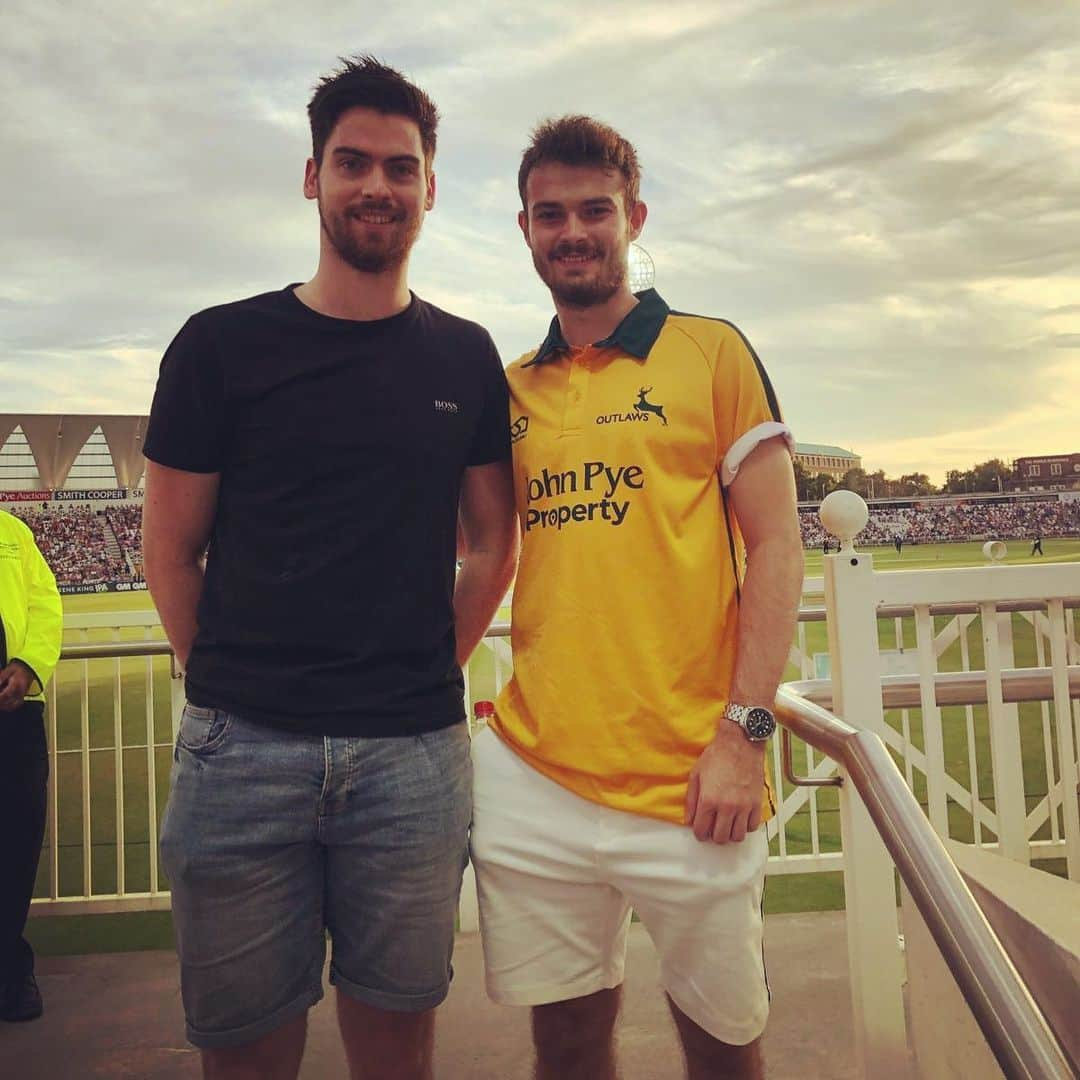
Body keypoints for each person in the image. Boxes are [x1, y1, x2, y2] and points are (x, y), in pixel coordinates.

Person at [143, 56, 518, 1080]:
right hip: (242, 753)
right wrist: (224, 678)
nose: (376, 187)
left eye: (401, 168)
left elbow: (493, 539)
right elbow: (169, 547)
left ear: (432, 188)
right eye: (351, 163)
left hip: (412, 758)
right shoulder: (220, 347)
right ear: (312, 177)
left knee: (396, 1047)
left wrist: (427, 661)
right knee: (246, 1052)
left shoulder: (464, 356)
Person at [469, 116, 804, 1080]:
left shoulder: (711, 352)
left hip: (697, 780)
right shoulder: (512, 387)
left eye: (594, 210)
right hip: (539, 775)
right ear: (525, 229)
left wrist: (745, 734)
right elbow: (482, 549)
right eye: (549, 214)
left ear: (634, 217)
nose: (572, 231)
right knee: (568, 1042)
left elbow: (777, 543)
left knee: (724, 1043)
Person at [0, 509, 63, 1022]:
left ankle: (10, 975)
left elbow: (45, 606)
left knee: (16, 846)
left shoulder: (14, 532)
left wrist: (29, 666)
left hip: (16, 717)